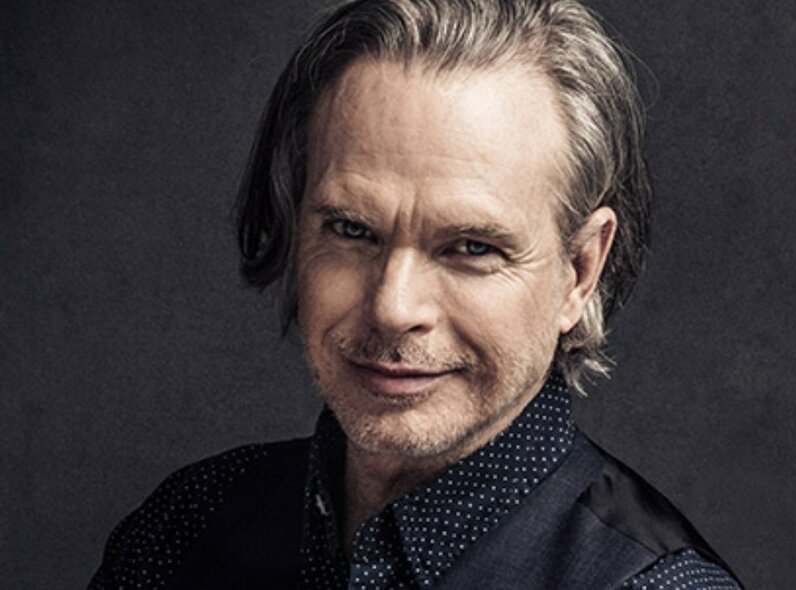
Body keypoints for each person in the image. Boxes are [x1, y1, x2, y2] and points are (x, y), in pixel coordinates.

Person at [89, 1, 741, 588]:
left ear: (579, 270)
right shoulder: (184, 530)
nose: (392, 307)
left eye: (472, 248)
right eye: (352, 230)